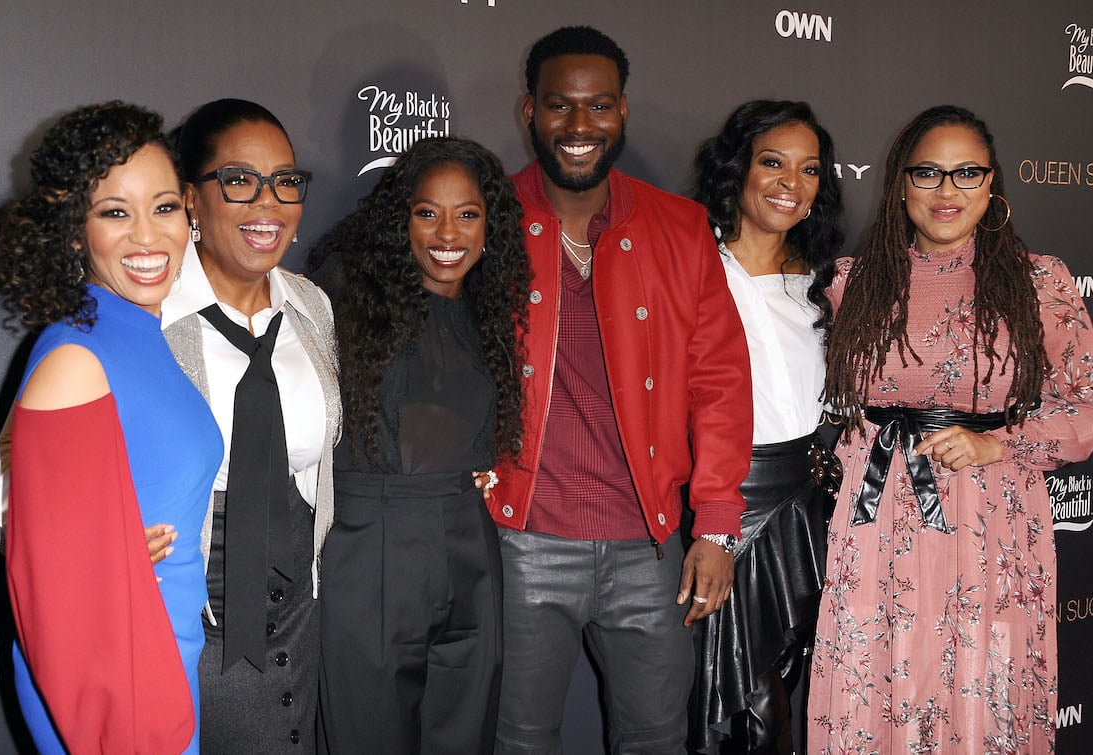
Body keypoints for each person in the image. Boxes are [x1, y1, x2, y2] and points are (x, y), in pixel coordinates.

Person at [809, 105, 1093, 753]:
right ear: (900, 184)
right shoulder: (848, 285)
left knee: (987, 686)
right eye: (928, 173)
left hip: (995, 518)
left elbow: (1090, 404)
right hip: (878, 520)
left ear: (992, 184)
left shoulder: (1042, 283)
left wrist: (997, 442)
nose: (947, 191)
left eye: (967, 172)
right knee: (877, 684)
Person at [489, 26, 754, 754]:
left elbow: (721, 383)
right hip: (520, 543)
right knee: (516, 739)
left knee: (657, 739)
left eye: (598, 106)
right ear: (528, 111)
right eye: (559, 106)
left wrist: (717, 527)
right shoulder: (487, 219)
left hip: (651, 546)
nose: (579, 127)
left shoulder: (680, 227)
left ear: (624, 113)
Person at [0, 101, 223, 753]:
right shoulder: (75, 359)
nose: (148, 237)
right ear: (72, 230)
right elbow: (60, 612)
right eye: (115, 211)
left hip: (165, 670)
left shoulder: (138, 335)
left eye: (165, 206)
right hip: (121, 705)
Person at [310, 136, 530, 754]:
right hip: (368, 542)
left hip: (470, 543)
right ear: (399, 219)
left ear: (491, 225)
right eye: (427, 212)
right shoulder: (341, 294)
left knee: (466, 732)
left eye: (467, 214)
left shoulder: (490, 309)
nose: (447, 233)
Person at [171, 98, 340, 753]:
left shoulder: (311, 307)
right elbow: (12, 491)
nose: (268, 202)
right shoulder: (137, 316)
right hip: (189, 604)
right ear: (190, 198)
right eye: (240, 180)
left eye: (286, 181)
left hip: (297, 602)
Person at [689, 100, 843, 754]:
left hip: (807, 514)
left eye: (809, 169)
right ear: (738, 171)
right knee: (728, 707)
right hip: (723, 512)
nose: (790, 182)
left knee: (789, 694)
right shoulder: (691, 267)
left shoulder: (824, 284)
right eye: (773, 162)